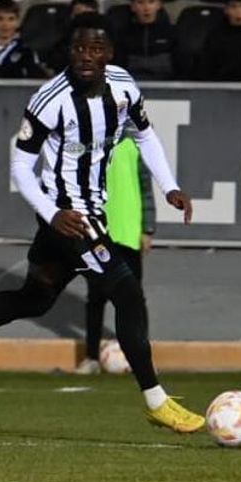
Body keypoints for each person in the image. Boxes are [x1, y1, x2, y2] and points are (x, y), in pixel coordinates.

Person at [0, 13, 205, 433]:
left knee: (34, 300)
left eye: (96, 49)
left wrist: (169, 185)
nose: (87, 56)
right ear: (70, 51)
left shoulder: (123, 85)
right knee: (127, 294)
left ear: (109, 54)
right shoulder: (51, 99)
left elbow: (144, 135)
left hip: (87, 214)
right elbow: (21, 165)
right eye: (79, 48)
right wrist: (52, 214)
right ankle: (156, 401)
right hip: (68, 217)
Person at [75, 122, 156, 375]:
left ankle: (142, 358)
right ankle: (91, 358)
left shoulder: (134, 145)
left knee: (134, 299)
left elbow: (145, 189)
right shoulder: (87, 147)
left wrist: (147, 228)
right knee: (95, 298)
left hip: (128, 233)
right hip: (96, 234)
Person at [116, 0, 177, 81]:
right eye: (140, 2)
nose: (146, 8)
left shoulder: (172, 33)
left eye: (151, 1)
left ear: (159, 5)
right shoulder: (123, 34)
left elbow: (180, 66)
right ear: (133, 7)